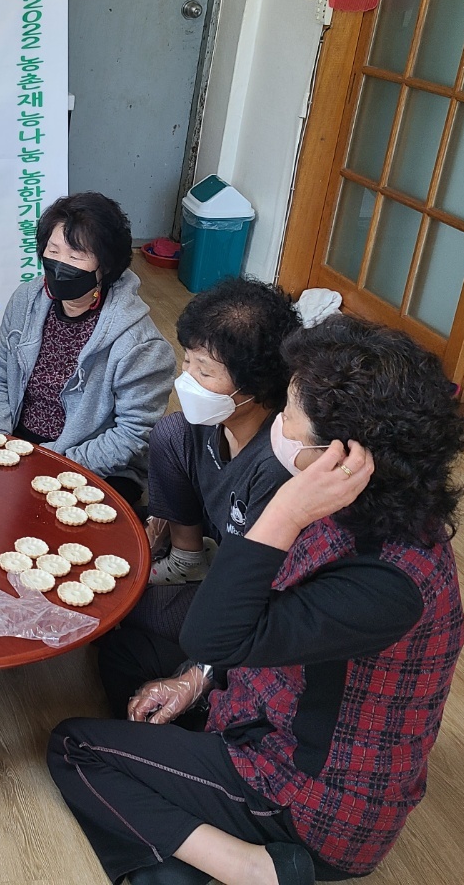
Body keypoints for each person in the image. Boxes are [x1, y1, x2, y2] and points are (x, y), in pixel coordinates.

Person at [47, 316, 464, 885]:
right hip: (261, 705)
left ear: (341, 457)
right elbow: (241, 625)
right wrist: (195, 681)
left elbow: (213, 634)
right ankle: (178, 822)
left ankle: (249, 866)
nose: (279, 425)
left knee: (75, 747)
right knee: (129, 651)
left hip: (310, 800)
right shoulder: (352, 504)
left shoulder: (387, 581)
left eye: (289, 413)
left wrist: (284, 512)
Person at [99, 279, 301, 713]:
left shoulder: (276, 465)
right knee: (168, 434)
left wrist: (200, 671)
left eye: (205, 372)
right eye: (187, 361)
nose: (186, 380)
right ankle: (186, 559)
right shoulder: (200, 427)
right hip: (209, 556)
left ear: (255, 385)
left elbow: (263, 594)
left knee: (120, 609)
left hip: (242, 592)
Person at [0, 192, 176, 504]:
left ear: (106, 265)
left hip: (92, 463)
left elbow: (132, 434)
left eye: (76, 256)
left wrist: (50, 463)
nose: (60, 265)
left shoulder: (141, 344)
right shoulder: (26, 300)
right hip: (18, 442)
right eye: (53, 251)